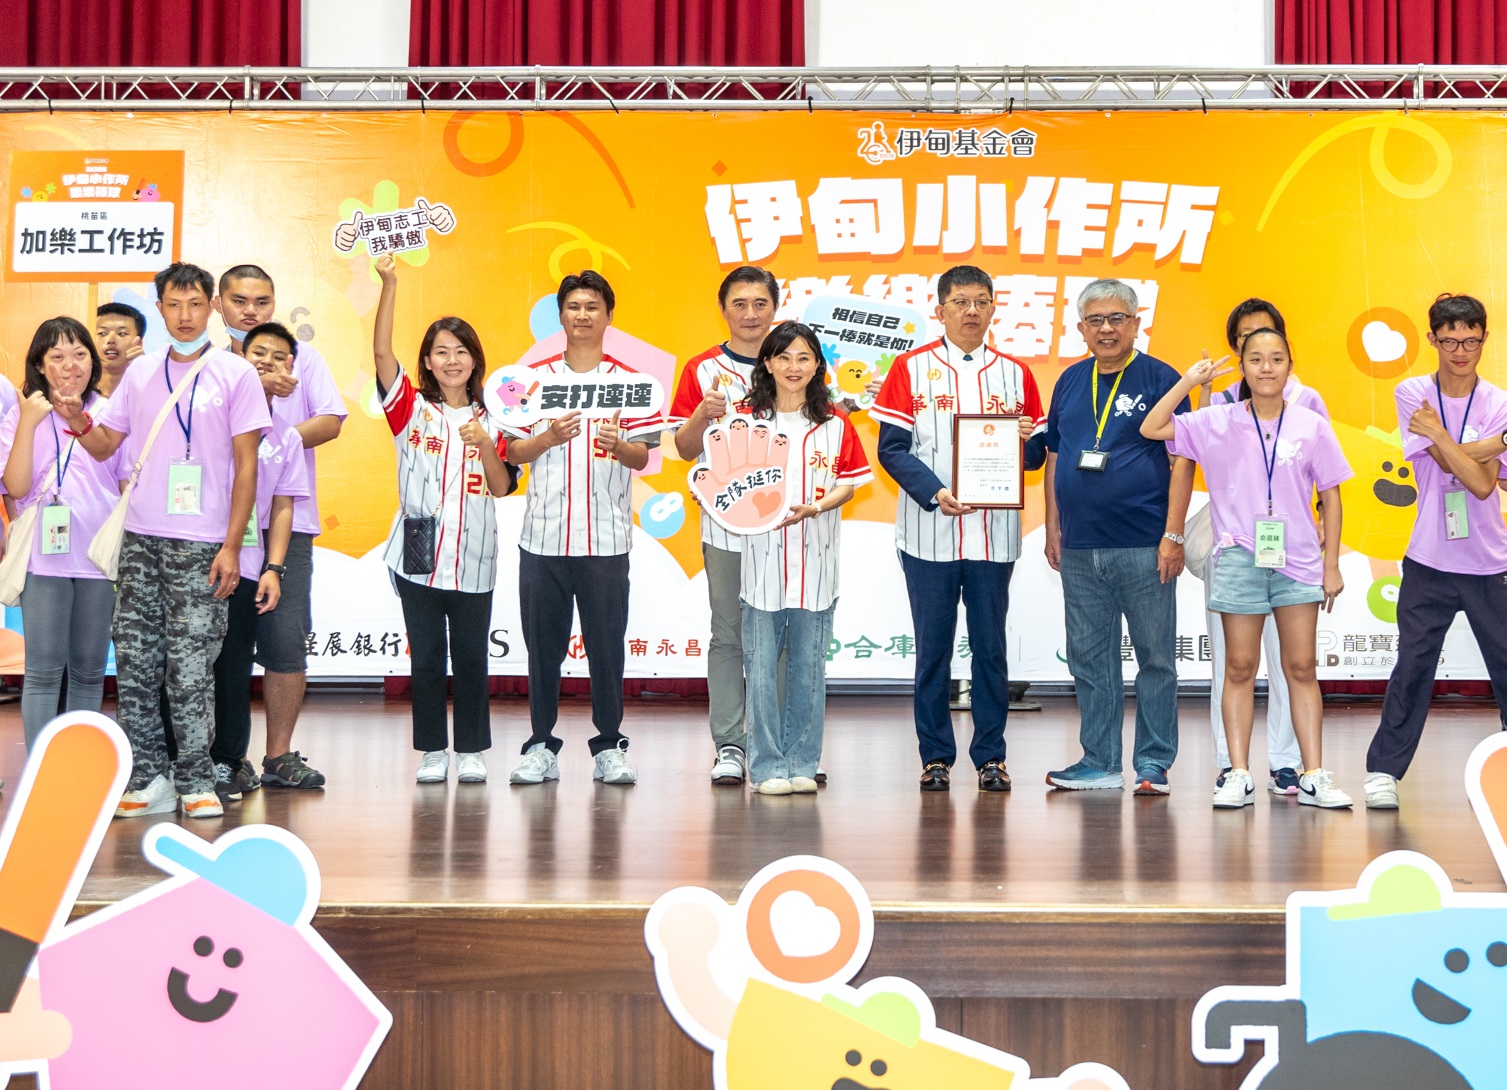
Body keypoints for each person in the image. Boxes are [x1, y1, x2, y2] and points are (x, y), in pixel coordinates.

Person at [53, 262, 269, 820]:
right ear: (160, 309)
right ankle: (148, 776)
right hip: (141, 539)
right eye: (173, 305)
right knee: (135, 662)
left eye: (195, 304)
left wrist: (231, 547)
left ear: (212, 307)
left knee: (192, 668)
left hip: (204, 545)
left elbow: (247, 467)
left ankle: (196, 778)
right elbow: (106, 445)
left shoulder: (236, 373)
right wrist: (76, 418)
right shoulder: (141, 372)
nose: (185, 315)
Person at [1144, 329, 1354, 808]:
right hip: (1238, 557)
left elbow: (1332, 495)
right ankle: (1237, 773)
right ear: (1241, 366)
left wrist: (1332, 565)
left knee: (1300, 667)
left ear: (1289, 365)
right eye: (1255, 359)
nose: (1266, 368)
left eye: (1276, 358)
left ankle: (1313, 775)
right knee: (1239, 667)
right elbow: (1153, 428)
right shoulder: (1216, 420)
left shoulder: (1310, 424)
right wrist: (1188, 382)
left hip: (1298, 559)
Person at [873, 264, 1047, 792]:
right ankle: (935, 758)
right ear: (940, 309)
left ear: (993, 308)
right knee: (933, 651)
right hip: (929, 533)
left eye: (981, 301)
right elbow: (892, 449)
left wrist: (1026, 440)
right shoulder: (910, 368)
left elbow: (1036, 458)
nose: (972, 311)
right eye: (961, 301)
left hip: (994, 535)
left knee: (991, 649)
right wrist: (934, 492)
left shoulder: (1016, 374)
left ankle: (991, 756)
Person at [505, 270, 663, 787]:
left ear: (608, 315)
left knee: (606, 647)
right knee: (542, 648)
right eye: (573, 306)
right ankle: (540, 746)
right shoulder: (531, 380)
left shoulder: (631, 383)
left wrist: (621, 447)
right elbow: (512, 451)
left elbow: (644, 455)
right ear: (561, 315)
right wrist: (547, 438)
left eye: (592, 306)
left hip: (605, 539)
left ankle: (609, 746)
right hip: (543, 538)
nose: (582, 315)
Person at [1043, 278, 1193, 795]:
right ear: (1081, 328)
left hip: (1144, 544)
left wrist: (1173, 534)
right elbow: (1055, 455)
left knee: (1156, 658)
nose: (1106, 329)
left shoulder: (1162, 379)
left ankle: (1153, 763)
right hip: (1080, 545)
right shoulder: (1070, 380)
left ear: (1136, 323)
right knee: (1089, 659)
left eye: (1117, 319)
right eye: (1096, 320)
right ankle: (1100, 761)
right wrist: (1053, 524)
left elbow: (1183, 460)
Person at [373, 255, 517, 785]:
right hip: (417, 549)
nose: (452, 360)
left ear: (475, 360)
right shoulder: (410, 409)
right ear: (428, 363)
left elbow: (501, 487)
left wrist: (487, 447)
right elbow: (381, 353)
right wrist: (390, 283)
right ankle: (433, 749)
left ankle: (472, 750)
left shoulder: (497, 418)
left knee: (473, 656)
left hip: (475, 554)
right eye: (441, 352)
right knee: (428, 655)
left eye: (461, 351)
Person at [1364, 294, 1507, 810]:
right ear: (1432, 340)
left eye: (1470, 340)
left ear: (1484, 339)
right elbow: (1462, 470)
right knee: (1412, 667)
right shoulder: (1412, 392)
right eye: (1449, 341)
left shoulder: (1497, 400)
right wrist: (1497, 443)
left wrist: (1441, 436)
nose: (1460, 351)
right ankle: (1383, 771)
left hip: (1491, 561)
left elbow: (1486, 488)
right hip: (1428, 559)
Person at [214, 264, 347, 798]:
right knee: (218, 647)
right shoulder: (210, 364)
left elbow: (332, 420)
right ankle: (224, 759)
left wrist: (275, 437)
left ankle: (277, 755)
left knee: (285, 641)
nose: (251, 311)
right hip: (219, 527)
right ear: (219, 304)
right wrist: (250, 401)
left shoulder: (300, 356)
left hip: (286, 523)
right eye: (239, 301)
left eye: (262, 302)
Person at [1196, 299, 1331, 795]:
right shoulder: (1220, 403)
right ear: (1238, 351)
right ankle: (1231, 764)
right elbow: (1187, 453)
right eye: (1248, 342)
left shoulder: (1307, 400)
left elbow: (1325, 476)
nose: (1264, 360)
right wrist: (1199, 388)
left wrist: (1322, 527)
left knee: (1291, 662)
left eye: (1271, 341)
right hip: (1235, 545)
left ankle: (1288, 762)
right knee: (1233, 662)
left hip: (1292, 548)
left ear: (1287, 351)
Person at [738, 322, 871, 794]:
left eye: (804, 358)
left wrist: (815, 508)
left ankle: (801, 762)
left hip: (816, 563)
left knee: (809, 669)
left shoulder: (835, 422)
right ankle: (766, 767)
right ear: (767, 363)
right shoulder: (744, 419)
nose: (794, 367)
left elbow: (849, 483)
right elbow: (720, 479)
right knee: (760, 671)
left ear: (817, 365)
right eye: (784, 357)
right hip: (760, 565)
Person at [668, 265, 777, 786]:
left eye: (760, 303)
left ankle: (783, 743)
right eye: (740, 303)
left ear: (774, 307)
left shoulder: (795, 360)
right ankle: (730, 744)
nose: (750, 314)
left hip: (786, 526)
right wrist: (701, 416)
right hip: (726, 525)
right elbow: (682, 447)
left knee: (783, 633)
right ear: (724, 309)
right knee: (729, 634)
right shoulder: (702, 368)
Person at [0, 318, 128, 751]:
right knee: (43, 670)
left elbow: (126, 485)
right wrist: (27, 422)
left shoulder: (111, 412)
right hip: (44, 557)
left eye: (79, 354)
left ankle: (78, 765)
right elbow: (16, 487)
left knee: (90, 670)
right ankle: (42, 770)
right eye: (57, 356)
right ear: (40, 364)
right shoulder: (22, 415)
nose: (70, 365)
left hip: (98, 555)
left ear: (93, 361)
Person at [94, 302, 146, 397]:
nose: (111, 340)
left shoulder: (150, 386)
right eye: (102, 333)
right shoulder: (77, 390)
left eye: (122, 333)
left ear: (139, 343)